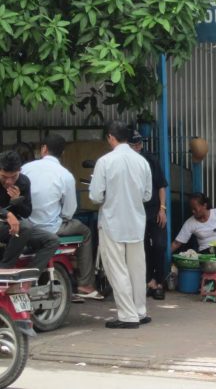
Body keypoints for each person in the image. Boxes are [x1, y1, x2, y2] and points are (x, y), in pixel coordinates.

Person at [89, 120, 152, 329]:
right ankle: (140, 311)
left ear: (110, 137)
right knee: (137, 268)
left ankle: (127, 315)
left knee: (117, 269)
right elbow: (147, 195)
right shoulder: (141, 162)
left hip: (112, 222)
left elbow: (96, 196)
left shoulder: (105, 162)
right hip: (136, 221)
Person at [22, 134, 101, 298]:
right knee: (86, 232)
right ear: (62, 153)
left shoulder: (26, 168)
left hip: (26, 226)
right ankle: (85, 284)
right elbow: (69, 211)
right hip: (52, 228)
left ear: (43, 149)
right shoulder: (65, 175)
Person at [128, 131, 168, 301]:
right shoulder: (127, 162)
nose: (137, 145)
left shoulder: (150, 160)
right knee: (142, 248)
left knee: (159, 245)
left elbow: (161, 186)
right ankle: (148, 281)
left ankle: (160, 281)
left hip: (154, 210)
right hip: (136, 213)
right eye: (134, 143)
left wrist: (162, 208)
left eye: (139, 142)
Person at [0, 151, 34, 268]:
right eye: (4, 177)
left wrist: (17, 200)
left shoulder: (24, 182)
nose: (8, 182)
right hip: (6, 224)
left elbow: (27, 212)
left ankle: (30, 278)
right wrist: (7, 214)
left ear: (19, 171)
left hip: (13, 228)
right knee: (25, 227)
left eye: (13, 177)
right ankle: (5, 270)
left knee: (51, 239)